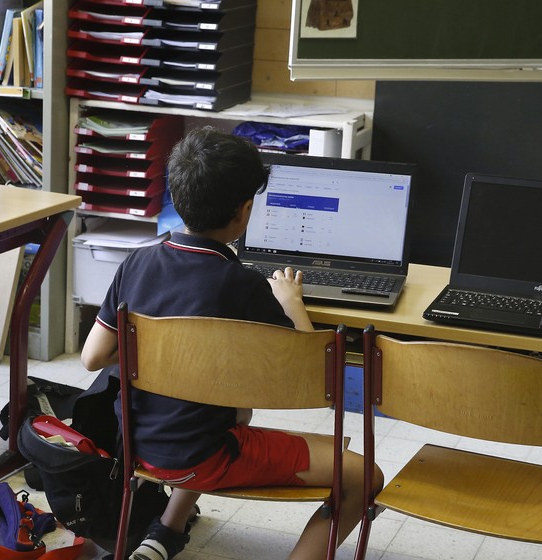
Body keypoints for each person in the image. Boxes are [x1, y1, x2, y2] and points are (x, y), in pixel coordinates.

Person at [80, 127, 383, 560]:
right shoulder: (242, 285)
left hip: (137, 443)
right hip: (204, 454)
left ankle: (165, 533)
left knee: (227, 406)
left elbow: (93, 357)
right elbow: (314, 377)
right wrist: (292, 303)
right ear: (243, 212)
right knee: (363, 475)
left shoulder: (138, 262)